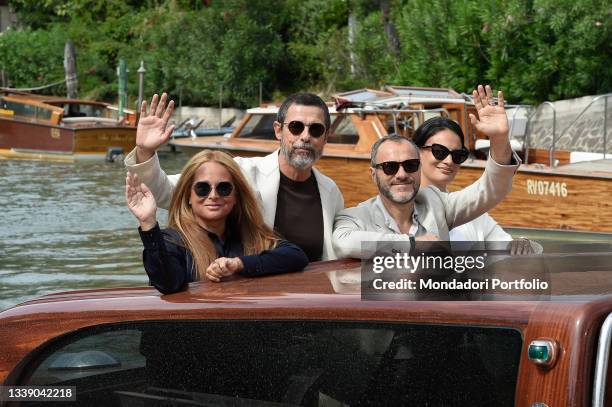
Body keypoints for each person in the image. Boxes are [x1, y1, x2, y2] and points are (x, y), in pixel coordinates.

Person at [124, 92, 343, 262]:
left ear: (325, 137)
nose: (305, 137)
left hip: (312, 305)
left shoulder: (330, 190)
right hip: (250, 301)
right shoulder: (241, 172)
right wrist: (145, 151)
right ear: (278, 130)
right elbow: (164, 192)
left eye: (315, 130)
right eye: (296, 127)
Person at [333, 85, 521, 259]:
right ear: (373, 174)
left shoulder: (438, 204)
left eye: (410, 165)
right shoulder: (354, 216)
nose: (401, 174)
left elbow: (491, 190)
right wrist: (412, 245)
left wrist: (499, 139)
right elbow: (343, 243)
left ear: (418, 167)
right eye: (390, 167)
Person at [126, 149, 309, 294]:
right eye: (202, 188)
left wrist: (239, 264)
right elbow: (168, 284)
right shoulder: (171, 241)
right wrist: (148, 223)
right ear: (188, 195)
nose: (213, 195)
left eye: (223, 188)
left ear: (236, 195)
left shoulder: (251, 236)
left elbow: (296, 256)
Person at [412, 115, 540, 254]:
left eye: (457, 155)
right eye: (439, 152)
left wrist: (521, 244)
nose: (449, 161)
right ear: (416, 152)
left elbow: (506, 247)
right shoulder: (399, 208)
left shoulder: (473, 215)